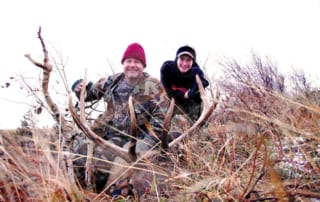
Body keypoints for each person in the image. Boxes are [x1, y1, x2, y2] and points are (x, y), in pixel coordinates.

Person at [71, 42, 169, 192]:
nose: (132, 65)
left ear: (143, 66)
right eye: (129, 61)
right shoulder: (112, 81)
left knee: (121, 169)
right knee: (82, 152)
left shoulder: (153, 86)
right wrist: (79, 87)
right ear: (123, 64)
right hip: (112, 138)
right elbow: (89, 93)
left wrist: (145, 145)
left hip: (138, 140)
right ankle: (81, 191)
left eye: (137, 62)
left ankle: (116, 192)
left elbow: (161, 122)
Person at [160, 45, 209, 121]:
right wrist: (184, 95)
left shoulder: (196, 71)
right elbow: (168, 91)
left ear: (193, 62)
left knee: (200, 105)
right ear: (177, 59)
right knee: (161, 102)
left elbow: (203, 83)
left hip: (188, 104)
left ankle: (200, 129)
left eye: (188, 60)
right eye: (182, 59)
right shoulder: (167, 69)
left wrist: (191, 93)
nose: (184, 64)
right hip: (171, 101)